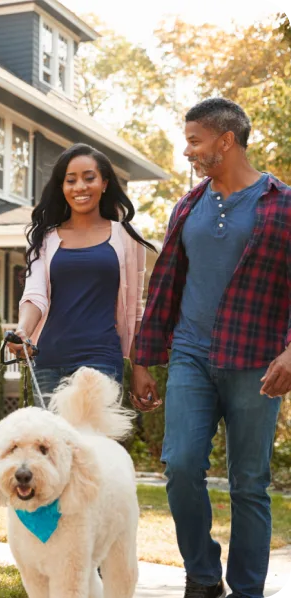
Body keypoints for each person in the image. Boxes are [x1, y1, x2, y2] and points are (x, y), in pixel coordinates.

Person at [131, 98, 291, 598]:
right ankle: (202, 575)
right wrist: (142, 358)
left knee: (248, 482)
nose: (188, 150)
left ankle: (246, 589)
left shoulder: (282, 203)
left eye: (195, 140)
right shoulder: (189, 205)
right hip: (191, 355)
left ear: (226, 140)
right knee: (179, 465)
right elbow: (165, 286)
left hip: (256, 359)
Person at [9, 142, 155, 398]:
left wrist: (139, 368)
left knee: (94, 438)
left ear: (105, 183)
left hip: (101, 362)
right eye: (71, 180)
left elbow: (135, 311)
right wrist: (23, 330)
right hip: (48, 362)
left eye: (89, 178)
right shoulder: (45, 239)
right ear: (62, 186)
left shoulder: (127, 238)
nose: (80, 187)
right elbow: (34, 295)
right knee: (51, 438)